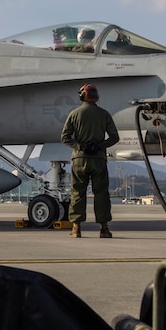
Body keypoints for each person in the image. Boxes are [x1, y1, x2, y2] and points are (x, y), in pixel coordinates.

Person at [60, 84, 120, 238]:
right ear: (96, 96)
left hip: (80, 159)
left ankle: (76, 228)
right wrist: (100, 145)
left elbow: (65, 137)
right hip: (98, 159)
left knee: (77, 193)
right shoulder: (104, 114)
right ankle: (104, 229)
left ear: (82, 96)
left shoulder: (74, 114)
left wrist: (79, 146)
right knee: (101, 194)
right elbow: (114, 137)